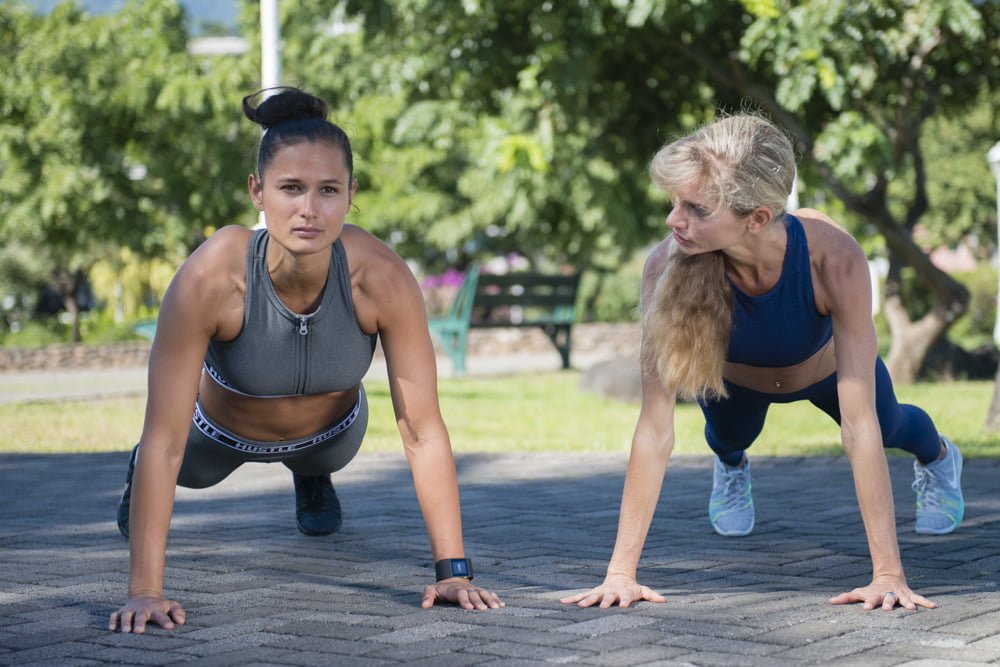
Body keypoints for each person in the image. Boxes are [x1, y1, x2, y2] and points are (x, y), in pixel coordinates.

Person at [109, 87, 503, 634]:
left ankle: (309, 473)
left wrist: (454, 573)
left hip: (331, 436)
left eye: (328, 190)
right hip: (219, 438)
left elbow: (422, 430)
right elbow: (165, 439)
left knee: (325, 456)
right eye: (291, 188)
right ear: (258, 192)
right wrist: (145, 592)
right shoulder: (213, 275)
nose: (309, 209)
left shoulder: (381, 275)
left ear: (351, 194)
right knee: (189, 473)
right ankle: (139, 477)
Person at [561, 114, 964, 613]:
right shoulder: (667, 265)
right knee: (728, 439)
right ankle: (732, 468)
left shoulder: (833, 258)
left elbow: (857, 423)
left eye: (695, 207)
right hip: (735, 383)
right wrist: (620, 573)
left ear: (756, 216)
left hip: (825, 372)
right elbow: (655, 429)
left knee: (888, 425)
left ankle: (940, 458)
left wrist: (888, 575)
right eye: (674, 202)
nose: (673, 219)